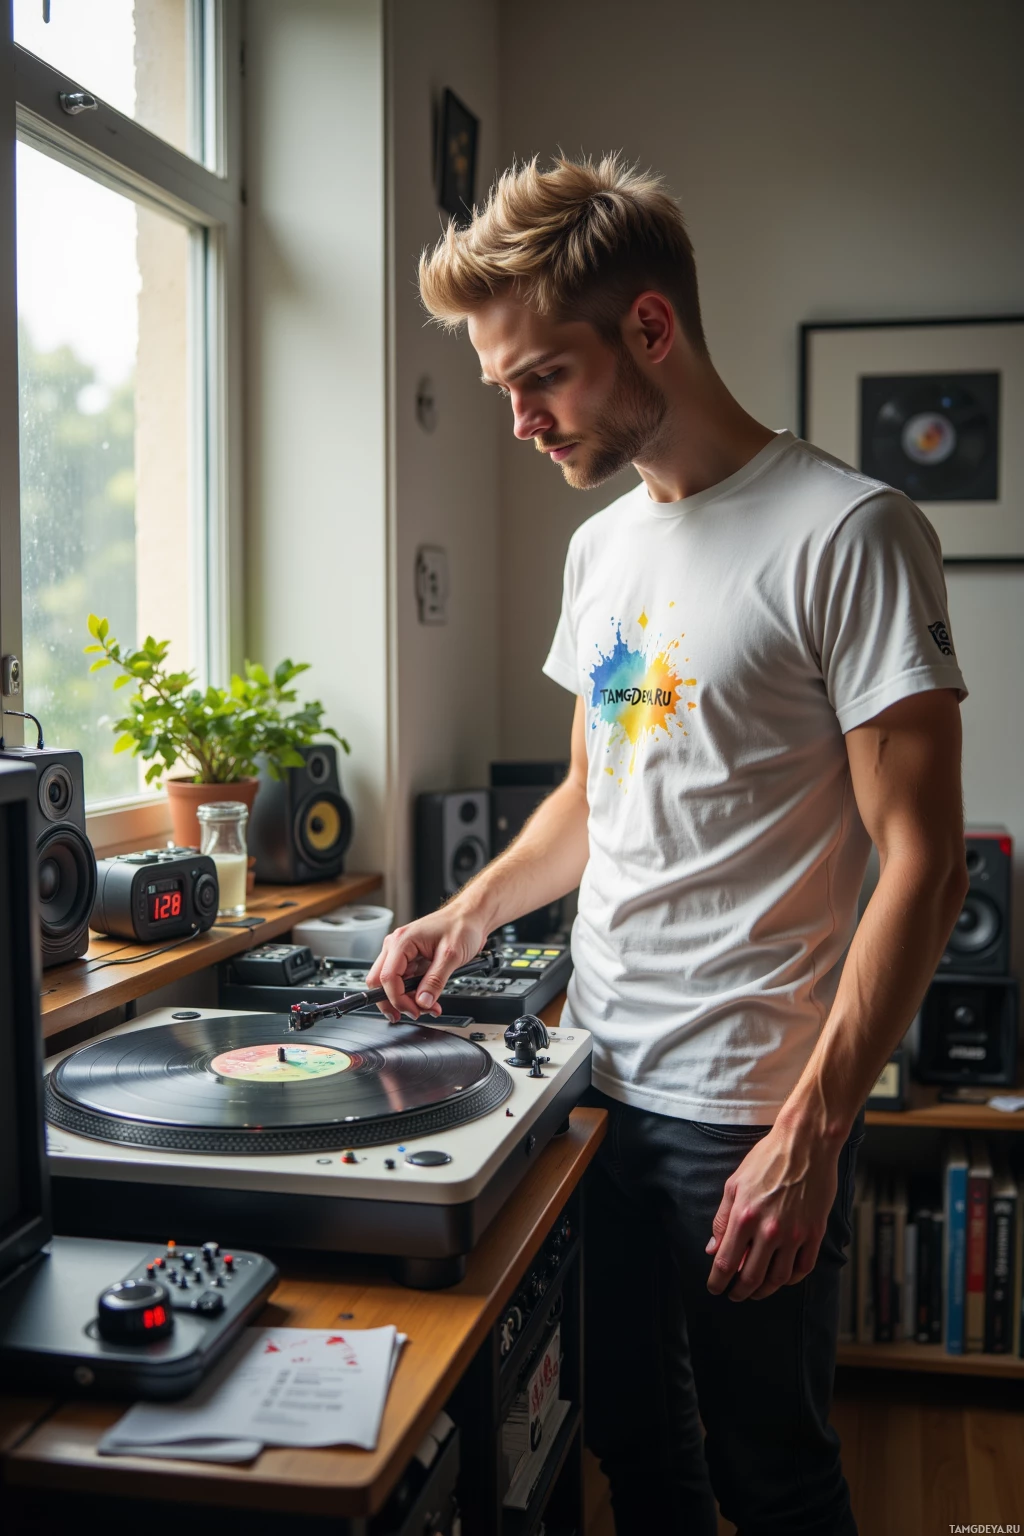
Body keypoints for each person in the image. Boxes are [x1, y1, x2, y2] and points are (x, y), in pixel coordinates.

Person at [366, 154, 969, 1535]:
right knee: (628, 1451)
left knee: (775, 1476)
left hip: (749, 1109)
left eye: (542, 379)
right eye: (504, 389)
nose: (520, 419)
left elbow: (922, 862)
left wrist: (811, 1135)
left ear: (651, 330)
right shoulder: (601, 552)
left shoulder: (853, 531)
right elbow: (597, 795)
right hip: (591, 1084)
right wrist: (465, 917)